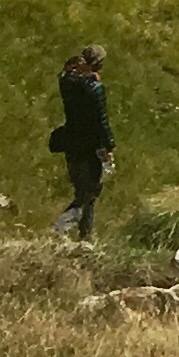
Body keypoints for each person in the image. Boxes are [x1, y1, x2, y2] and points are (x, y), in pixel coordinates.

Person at [49, 45, 111, 242]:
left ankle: (86, 237)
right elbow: (101, 121)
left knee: (85, 190)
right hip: (90, 145)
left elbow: (68, 75)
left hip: (71, 140)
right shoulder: (94, 88)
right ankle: (59, 228)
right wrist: (108, 145)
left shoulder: (67, 81)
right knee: (88, 193)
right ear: (99, 64)